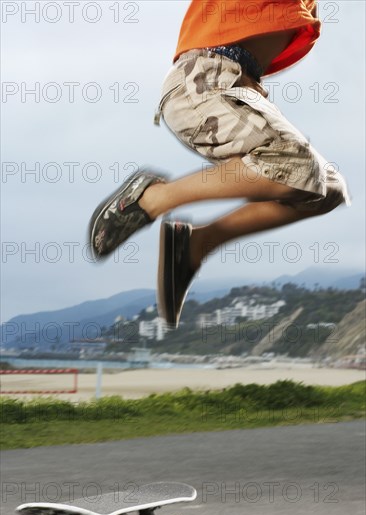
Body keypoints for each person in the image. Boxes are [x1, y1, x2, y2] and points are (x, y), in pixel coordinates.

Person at [89, 0, 350, 328]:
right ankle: (151, 199)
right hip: (205, 79)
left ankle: (195, 245)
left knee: (328, 188)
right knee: (298, 167)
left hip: (239, 86)